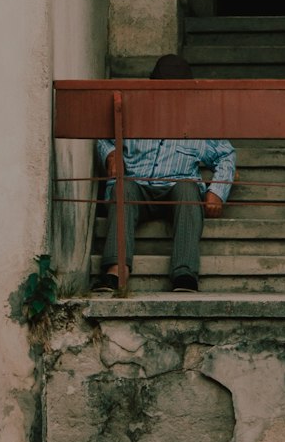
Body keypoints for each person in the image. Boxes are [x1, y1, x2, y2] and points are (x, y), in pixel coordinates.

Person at [93, 54, 236, 293]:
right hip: (137, 184)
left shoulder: (199, 121)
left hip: (177, 187)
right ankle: (117, 270)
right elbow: (104, 137)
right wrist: (110, 154)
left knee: (189, 188)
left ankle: (184, 273)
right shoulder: (133, 111)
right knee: (123, 187)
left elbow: (226, 155)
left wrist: (217, 191)